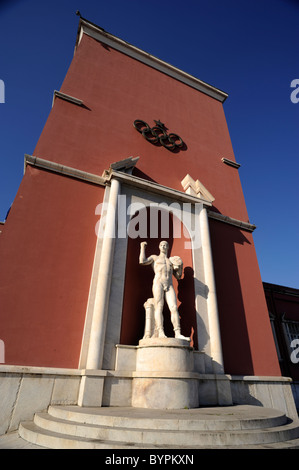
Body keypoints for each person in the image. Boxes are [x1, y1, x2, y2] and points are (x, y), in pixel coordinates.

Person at [139, 241, 189, 340]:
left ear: (168, 247)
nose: (163, 246)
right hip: (158, 283)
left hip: (169, 285)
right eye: (161, 245)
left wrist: (180, 266)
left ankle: (178, 333)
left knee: (174, 307)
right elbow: (142, 261)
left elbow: (178, 276)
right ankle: (160, 331)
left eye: (165, 245)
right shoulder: (155, 258)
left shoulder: (171, 261)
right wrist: (142, 247)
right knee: (159, 307)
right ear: (159, 247)